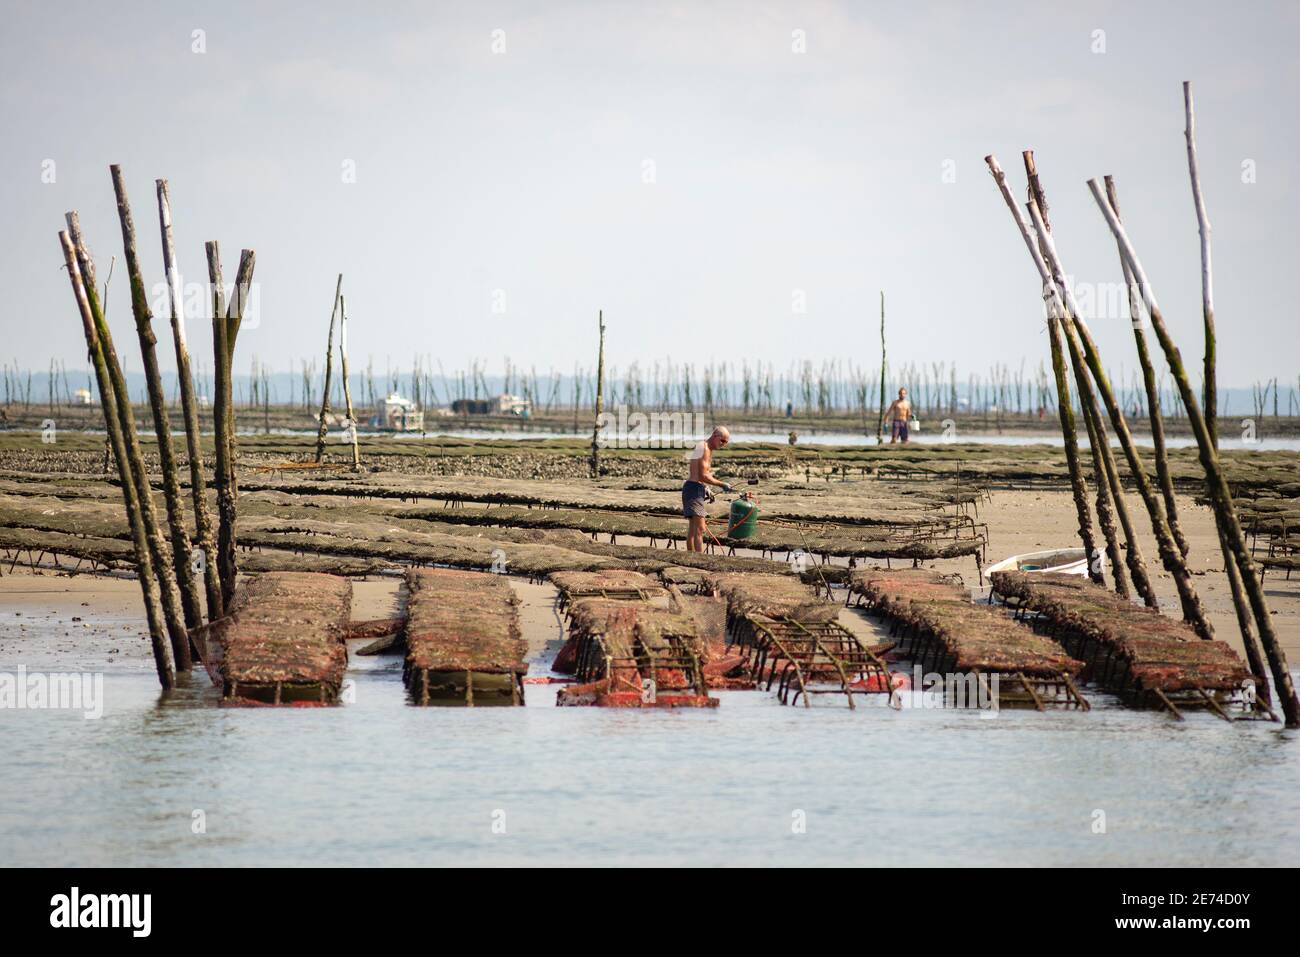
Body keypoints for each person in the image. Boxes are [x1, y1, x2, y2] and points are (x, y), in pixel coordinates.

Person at [682, 426, 731, 552]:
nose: (723, 444)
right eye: (722, 441)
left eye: (726, 442)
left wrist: (706, 488)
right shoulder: (704, 448)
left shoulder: (706, 447)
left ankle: (690, 557)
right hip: (693, 490)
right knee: (700, 529)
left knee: (693, 529)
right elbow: (703, 475)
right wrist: (722, 484)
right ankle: (699, 559)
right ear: (715, 435)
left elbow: (700, 475)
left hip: (695, 488)